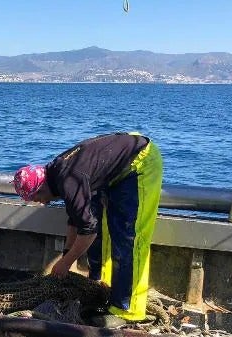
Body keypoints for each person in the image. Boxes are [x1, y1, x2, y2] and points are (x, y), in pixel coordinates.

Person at [13, 132, 163, 327]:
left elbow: (88, 231)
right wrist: (66, 254)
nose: (40, 203)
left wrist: (66, 263)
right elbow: (75, 221)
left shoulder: (68, 180)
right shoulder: (57, 175)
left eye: (35, 198)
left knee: (129, 239)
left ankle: (128, 310)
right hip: (117, 166)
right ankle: (103, 289)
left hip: (140, 159)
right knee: (104, 231)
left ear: (41, 188)